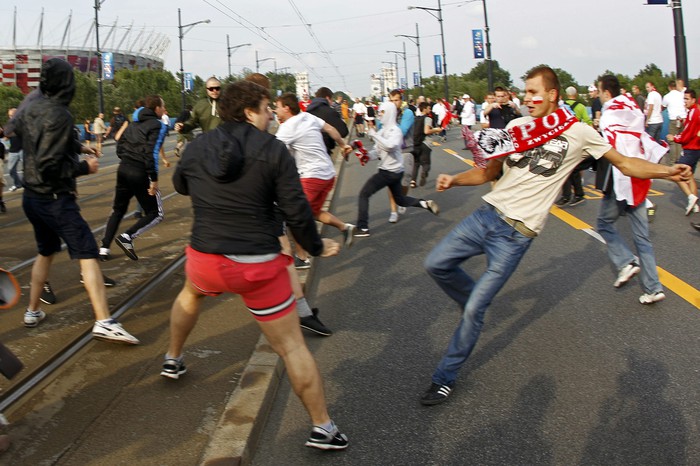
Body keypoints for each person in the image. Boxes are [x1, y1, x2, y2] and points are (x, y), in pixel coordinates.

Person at [419, 65, 691, 406]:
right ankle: (472, 303)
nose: (528, 98)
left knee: (475, 311)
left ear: (552, 95)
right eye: (525, 92)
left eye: (534, 92)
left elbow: (626, 164)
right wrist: (454, 180)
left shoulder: (579, 132)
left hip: (515, 236)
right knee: (436, 264)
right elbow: (488, 172)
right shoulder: (516, 127)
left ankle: (444, 377)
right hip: (485, 216)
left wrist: (668, 171)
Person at [163, 80, 349, 450]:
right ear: (249, 111)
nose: (270, 116)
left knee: (190, 294)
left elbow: (181, 185)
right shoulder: (273, 150)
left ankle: (172, 358)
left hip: (206, 258)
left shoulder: (199, 145)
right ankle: (322, 428)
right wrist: (315, 246)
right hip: (257, 266)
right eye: (266, 109)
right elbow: (296, 211)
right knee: (292, 347)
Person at [13, 58, 139, 343]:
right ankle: (104, 321)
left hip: (32, 198)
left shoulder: (29, 108)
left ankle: (32, 311)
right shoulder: (60, 114)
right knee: (87, 253)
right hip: (56, 200)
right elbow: (48, 165)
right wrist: (85, 167)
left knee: (45, 251)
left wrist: (76, 144)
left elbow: (31, 139)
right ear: (66, 84)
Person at [596, 74, 667, 304]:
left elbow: (605, 146)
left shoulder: (609, 114)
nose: (597, 95)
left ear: (606, 93)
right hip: (639, 176)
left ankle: (626, 262)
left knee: (604, 223)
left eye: (599, 91)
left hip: (620, 178)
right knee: (642, 238)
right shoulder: (632, 107)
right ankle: (653, 287)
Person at [274, 93, 354, 267]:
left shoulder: (287, 127)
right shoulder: (307, 116)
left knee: (295, 216)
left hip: (311, 176)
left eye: (277, 107)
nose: (275, 110)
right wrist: (343, 145)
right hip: (328, 173)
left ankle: (302, 258)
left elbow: (273, 154)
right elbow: (332, 130)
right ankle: (344, 227)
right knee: (314, 212)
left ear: (286, 108)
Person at [353, 101, 440, 237]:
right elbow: (377, 152)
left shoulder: (396, 131)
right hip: (394, 172)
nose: (379, 115)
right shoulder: (382, 131)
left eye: (382, 112)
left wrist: (374, 135)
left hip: (389, 172)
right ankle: (424, 204)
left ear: (389, 113)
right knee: (399, 199)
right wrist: (364, 154)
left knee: (364, 194)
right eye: (379, 112)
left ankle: (362, 227)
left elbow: (390, 146)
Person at [99, 95, 167, 262]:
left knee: (118, 210)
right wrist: (154, 179)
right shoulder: (157, 126)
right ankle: (127, 237)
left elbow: (119, 144)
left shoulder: (133, 123)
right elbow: (151, 153)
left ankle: (104, 248)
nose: (164, 110)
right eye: (163, 107)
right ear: (156, 108)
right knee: (155, 213)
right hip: (139, 172)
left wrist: (126, 158)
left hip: (123, 168)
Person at [555, 86, 594, 207]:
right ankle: (577, 194)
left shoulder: (561, 107)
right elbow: (588, 122)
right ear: (576, 94)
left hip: (565, 139)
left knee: (565, 168)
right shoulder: (581, 107)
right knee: (573, 168)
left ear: (566, 95)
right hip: (578, 139)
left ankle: (567, 196)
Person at [667, 88, 700, 216]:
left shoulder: (693, 112)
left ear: (693, 100)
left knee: (676, 173)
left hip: (691, 149)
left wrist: (674, 137)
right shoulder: (693, 112)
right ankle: (694, 204)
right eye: (684, 99)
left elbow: (688, 134)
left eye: (686, 99)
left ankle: (691, 196)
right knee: (689, 175)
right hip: (695, 148)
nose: (684, 102)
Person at [386, 89, 416, 223]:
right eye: (391, 100)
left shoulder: (408, 113)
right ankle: (393, 211)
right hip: (391, 152)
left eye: (396, 100)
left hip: (405, 150)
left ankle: (401, 199)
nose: (393, 103)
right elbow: (380, 127)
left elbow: (402, 131)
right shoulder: (387, 112)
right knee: (391, 182)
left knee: (405, 181)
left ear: (401, 100)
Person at [306, 87, 349, 157]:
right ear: (327, 98)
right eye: (331, 99)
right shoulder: (329, 112)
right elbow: (343, 132)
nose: (332, 102)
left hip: (307, 153)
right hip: (323, 152)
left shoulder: (307, 112)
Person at [411, 101, 442, 187]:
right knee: (426, 163)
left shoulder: (415, 119)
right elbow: (426, 131)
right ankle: (424, 172)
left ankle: (413, 181)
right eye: (429, 108)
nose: (430, 110)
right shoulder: (428, 119)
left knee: (416, 163)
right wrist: (436, 130)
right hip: (425, 143)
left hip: (416, 143)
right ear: (424, 109)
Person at [662, 80, 687, 166]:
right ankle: (680, 160)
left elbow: (663, 106)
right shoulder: (681, 94)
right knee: (680, 140)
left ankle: (672, 162)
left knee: (672, 140)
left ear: (669, 87)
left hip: (673, 119)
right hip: (683, 119)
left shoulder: (667, 96)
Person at [4, 108, 23, 191]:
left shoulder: (23, 123)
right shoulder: (9, 125)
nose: (11, 117)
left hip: (23, 149)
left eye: (12, 115)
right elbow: (6, 137)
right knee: (11, 170)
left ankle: (30, 186)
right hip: (13, 150)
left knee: (29, 169)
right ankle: (18, 184)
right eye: (9, 115)